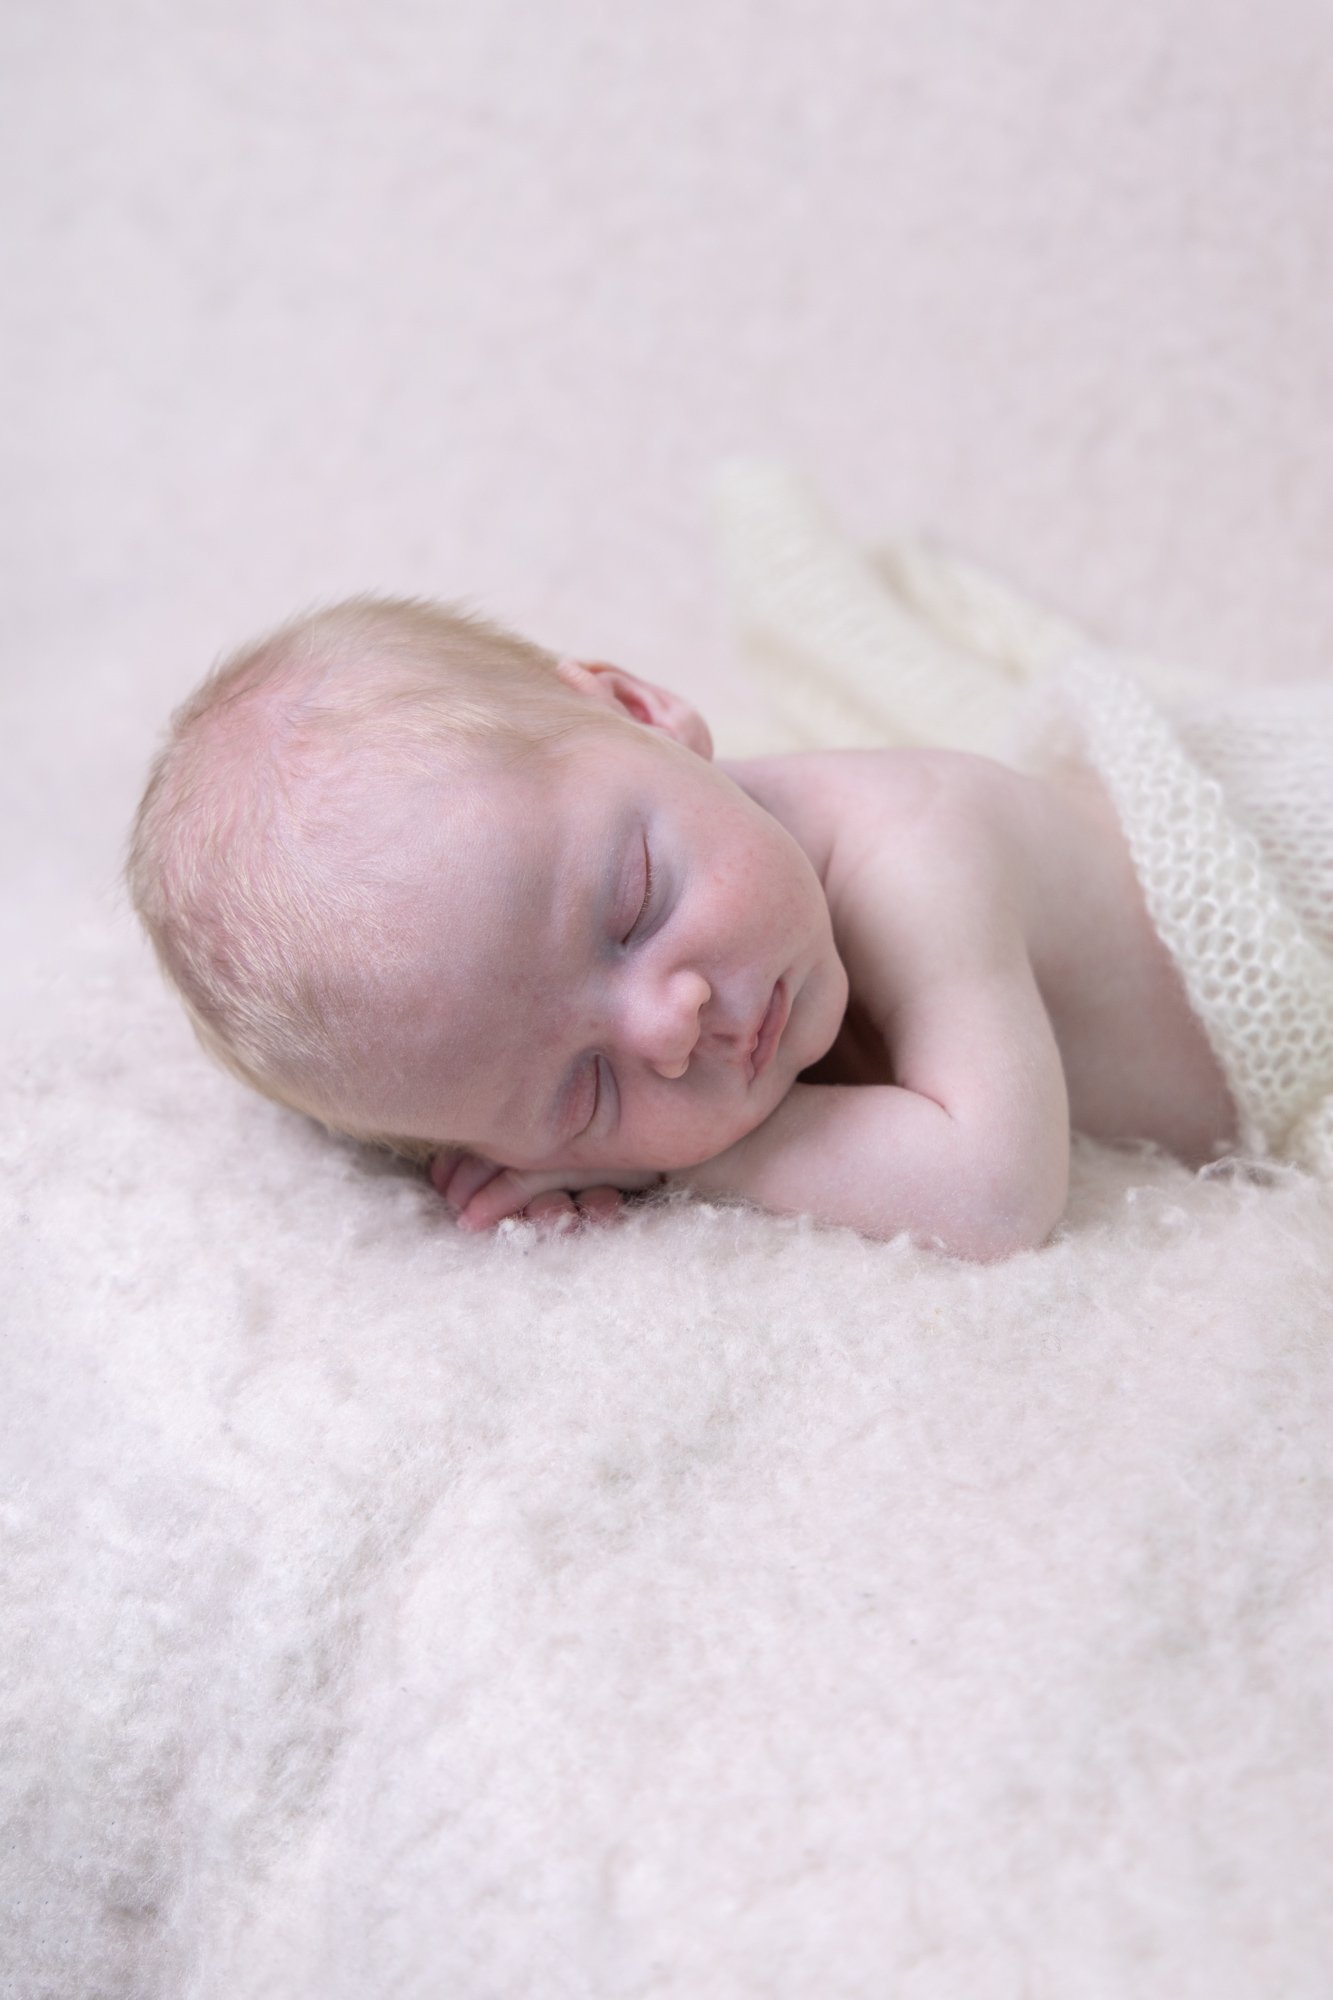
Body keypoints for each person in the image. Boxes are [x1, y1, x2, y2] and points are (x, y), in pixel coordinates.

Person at [125, 591, 1333, 1261]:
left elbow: (996, 1193)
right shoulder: (697, 905)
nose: (669, 1027)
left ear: (641, 707)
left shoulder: (916, 844)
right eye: (585, 1088)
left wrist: (660, 1156)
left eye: (633, 907)